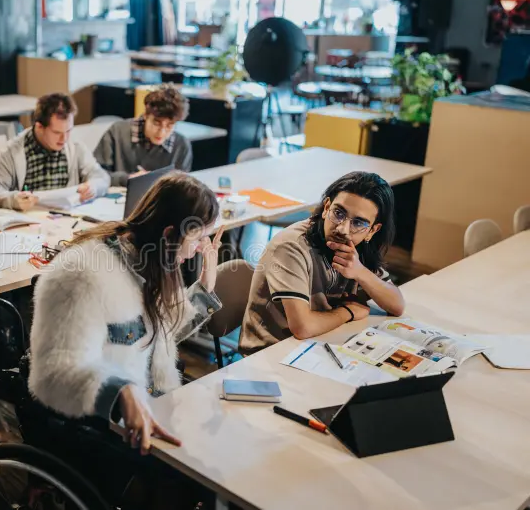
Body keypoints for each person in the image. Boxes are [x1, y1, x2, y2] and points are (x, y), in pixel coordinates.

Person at [25, 172, 223, 508]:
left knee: (214, 468)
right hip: (96, 422)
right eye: (197, 240)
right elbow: (54, 373)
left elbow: (164, 335)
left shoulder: (155, 261)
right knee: (195, 481)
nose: (196, 252)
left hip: (150, 403)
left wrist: (205, 285)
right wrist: (121, 389)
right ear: (170, 234)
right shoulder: (84, 274)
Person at [240, 171, 405, 355]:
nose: (342, 228)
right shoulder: (290, 246)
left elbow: (396, 305)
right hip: (272, 352)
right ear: (327, 207)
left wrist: (360, 272)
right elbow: (302, 328)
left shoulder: (356, 248)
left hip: (321, 342)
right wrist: (347, 312)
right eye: (339, 213)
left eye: (358, 223)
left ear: (372, 231)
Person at [0, 92, 109, 210]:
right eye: (57, 132)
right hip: (28, 221)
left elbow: (102, 177)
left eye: (68, 131)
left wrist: (93, 187)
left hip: (64, 219)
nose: (64, 138)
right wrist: (14, 200)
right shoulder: (12, 152)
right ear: (39, 127)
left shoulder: (75, 146)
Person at [94, 84, 193, 186]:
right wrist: (126, 178)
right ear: (146, 115)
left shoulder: (181, 145)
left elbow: (182, 184)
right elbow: (95, 174)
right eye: (156, 123)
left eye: (169, 125)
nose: (161, 132)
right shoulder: (117, 131)